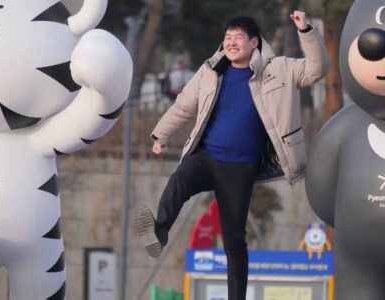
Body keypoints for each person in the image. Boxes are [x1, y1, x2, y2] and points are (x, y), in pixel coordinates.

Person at [135, 11, 329, 300]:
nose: (231, 42)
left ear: (254, 42)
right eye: (227, 37)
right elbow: (183, 106)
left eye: (238, 37)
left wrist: (306, 31)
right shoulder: (210, 71)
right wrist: (161, 135)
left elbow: (317, 69)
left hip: (240, 168)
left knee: (234, 240)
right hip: (206, 156)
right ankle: (159, 232)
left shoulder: (280, 69)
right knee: (179, 179)